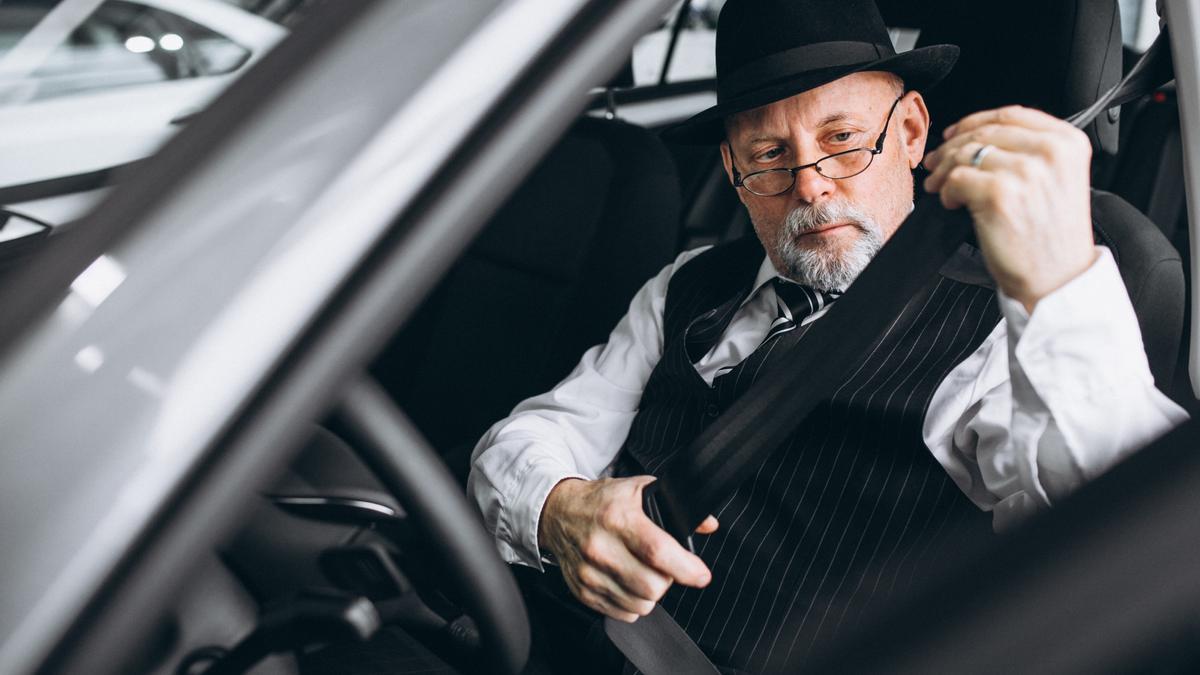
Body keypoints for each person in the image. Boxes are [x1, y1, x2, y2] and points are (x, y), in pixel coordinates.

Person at [469, 0, 1188, 671]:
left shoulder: (1006, 336)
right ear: (732, 170)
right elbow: (530, 437)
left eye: (843, 141)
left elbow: (1137, 541)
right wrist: (561, 505)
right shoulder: (688, 283)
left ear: (910, 133)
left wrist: (1058, 285)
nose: (810, 186)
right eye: (770, 156)